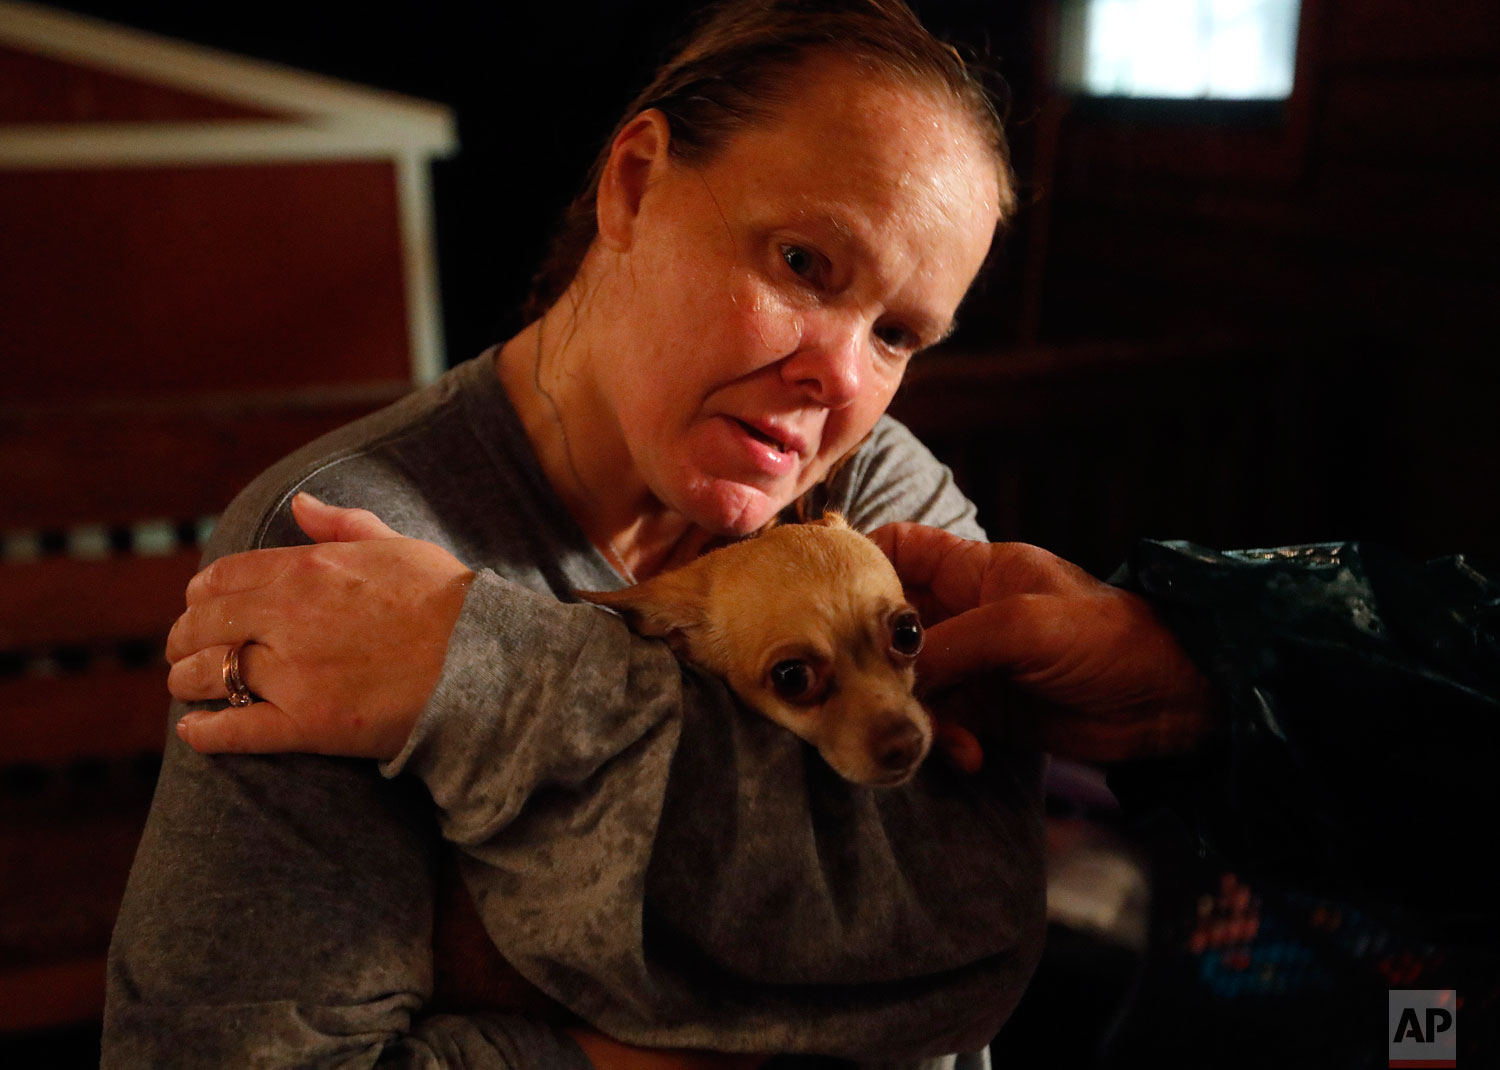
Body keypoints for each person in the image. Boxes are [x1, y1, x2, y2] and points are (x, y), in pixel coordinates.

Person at [103, 2, 1214, 1067]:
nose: (842, 372)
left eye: (897, 333)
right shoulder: (343, 548)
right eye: (801, 262)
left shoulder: (876, 497)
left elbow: (965, 943)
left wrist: (488, 675)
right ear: (634, 184)